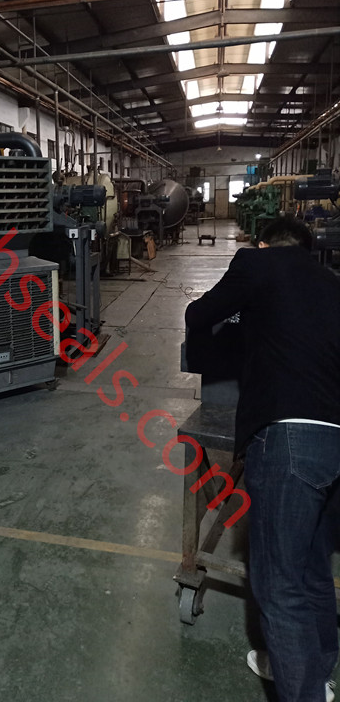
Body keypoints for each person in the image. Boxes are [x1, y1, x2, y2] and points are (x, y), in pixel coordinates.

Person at [185, 216, 340, 702]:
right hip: (336, 441)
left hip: (289, 437)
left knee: (279, 587)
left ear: (265, 244)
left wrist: (216, 354)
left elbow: (199, 315)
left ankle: (302, 689)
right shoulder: (331, 282)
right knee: (312, 567)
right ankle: (318, 676)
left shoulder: (257, 265)